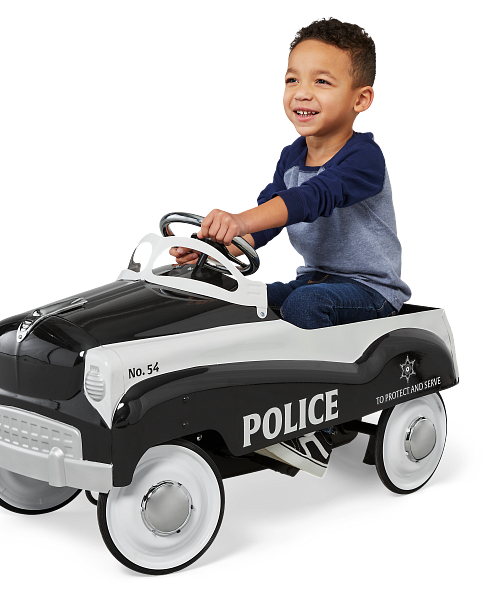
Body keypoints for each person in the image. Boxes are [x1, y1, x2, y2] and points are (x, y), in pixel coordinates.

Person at [168, 17, 411, 478]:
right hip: (316, 279)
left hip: (370, 290)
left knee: (305, 305)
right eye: (292, 80)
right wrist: (216, 248)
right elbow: (266, 223)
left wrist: (240, 219)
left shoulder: (364, 158)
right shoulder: (292, 155)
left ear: (361, 99)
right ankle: (248, 403)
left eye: (322, 82)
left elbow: (309, 200)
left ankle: (314, 430)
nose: (302, 93)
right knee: (247, 300)